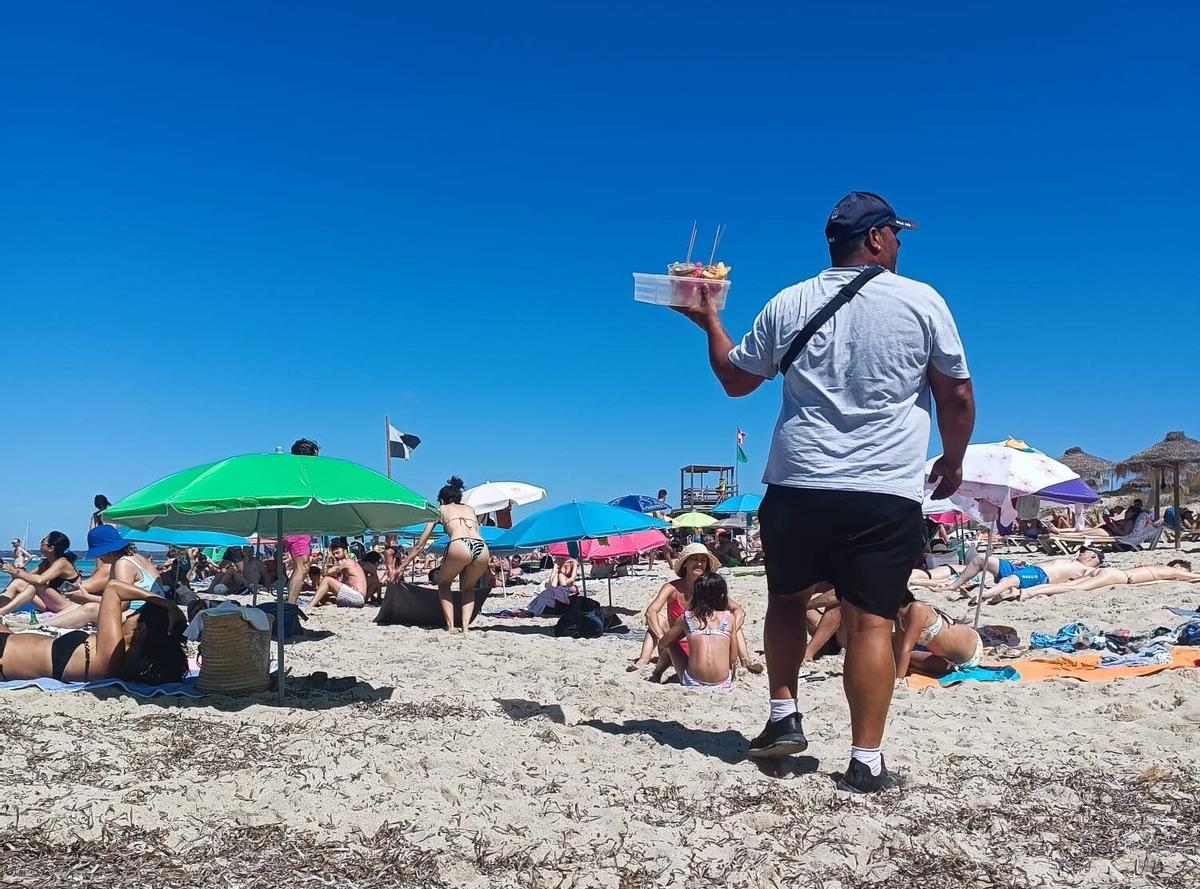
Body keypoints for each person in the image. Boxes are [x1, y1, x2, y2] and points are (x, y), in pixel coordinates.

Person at [675, 191, 974, 792]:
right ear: (875, 239)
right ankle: (866, 760)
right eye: (896, 234)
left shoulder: (790, 301)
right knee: (868, 623)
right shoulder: (922, 301)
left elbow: (736, 381)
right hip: (885, 488)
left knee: (787, 602)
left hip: (799, 480)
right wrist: (954, 459)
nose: (899, 244)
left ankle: (784, 718)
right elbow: (957, 396)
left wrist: (708, 320)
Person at [0, 580, 187, 684]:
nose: (127, 617)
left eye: (134, 614)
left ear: (141, 629)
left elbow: (113, 588)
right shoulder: (122, 663)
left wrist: (166, 603)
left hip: (5, 655)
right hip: (9, 643)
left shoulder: (112, 653)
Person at [628, 543, 762, 677]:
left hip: (707, 643)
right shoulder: (672, 588)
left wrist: (728, 630)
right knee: (657, 618)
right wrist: (662, 637)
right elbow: (650, 612)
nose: (699, 563)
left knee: (732, 621)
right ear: (685, 563)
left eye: (703, 560)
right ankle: (643, 660)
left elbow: (739, 610)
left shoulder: (709, 588)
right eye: (695, 559)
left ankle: (745, 660)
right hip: (678, 643)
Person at [395, 477, 490, 633]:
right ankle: (466, 628)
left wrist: (403, 566)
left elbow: (420, 544)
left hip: (459, 543)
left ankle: (451, 625)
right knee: (468, 588)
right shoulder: (470, 510)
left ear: (441, 500)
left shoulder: (439, 510)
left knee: (444, 583)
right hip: (481, 546)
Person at [657, 571, 741, 689]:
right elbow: (733, 657)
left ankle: (657, 673)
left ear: (695, 594)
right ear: (722, 595)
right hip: (722, 683)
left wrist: (680, 636)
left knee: (671, 644)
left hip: (693, 681)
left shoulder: (686, 617)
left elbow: (662, 644)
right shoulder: (729, 618)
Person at [988, 559, 1200, 603]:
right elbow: (1189, 576)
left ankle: (1025, 592)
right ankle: (1030, 593)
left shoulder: (1160, 569)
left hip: (1112, 573)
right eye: (1181, 568)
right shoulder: (1167, 569)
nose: (1181, 572)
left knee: (1071, 585)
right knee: (1074, 588)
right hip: (1119, 576)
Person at [942, 549, 1104, 601]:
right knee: (981, 559)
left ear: (1092, 557)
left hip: (1040, 576)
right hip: (1027, 569)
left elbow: (1099, 575)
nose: (1081, 553)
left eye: (1085, 552)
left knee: (1009, 580)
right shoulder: (1074, 561)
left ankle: (987, 594)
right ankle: (952, 586)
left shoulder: (1086, 569)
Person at [893, 592, 983, 677]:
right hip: (946, 658)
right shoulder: (898, 616)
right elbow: (899, 647)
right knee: (904, 658)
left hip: (970, 649)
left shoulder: (917, 608)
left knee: (906, 657)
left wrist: (898, 679)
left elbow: (907, 648)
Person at [0, 531, 83, 617]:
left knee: (37, 585)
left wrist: (15, 571)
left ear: (51, 548)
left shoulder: (62, 563)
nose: (40, 543)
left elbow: (39, 580)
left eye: (43, 541)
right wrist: (7, 569)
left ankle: (3, 611)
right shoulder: (46, 562)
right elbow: (26, 577)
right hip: (51, 604)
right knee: (18, 582)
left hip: (66, 606)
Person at [285, 438, 320, 604]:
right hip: (297, 525)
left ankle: (290, 602)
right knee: (302, 566)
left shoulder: (291, 472)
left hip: (292, 524)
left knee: (300, 566)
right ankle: (290, 605)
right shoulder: (305, 474)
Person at [308, 538, 369, 607]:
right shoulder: (349, 563)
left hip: (357, 597)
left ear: (345, 552)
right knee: (323, 597)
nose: (336, 556)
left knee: (327, 580)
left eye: (337, 553)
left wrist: (328, 558)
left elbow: (325, 573)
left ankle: (310, 605)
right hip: (356, 596)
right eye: (334, 554)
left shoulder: (346, 562)